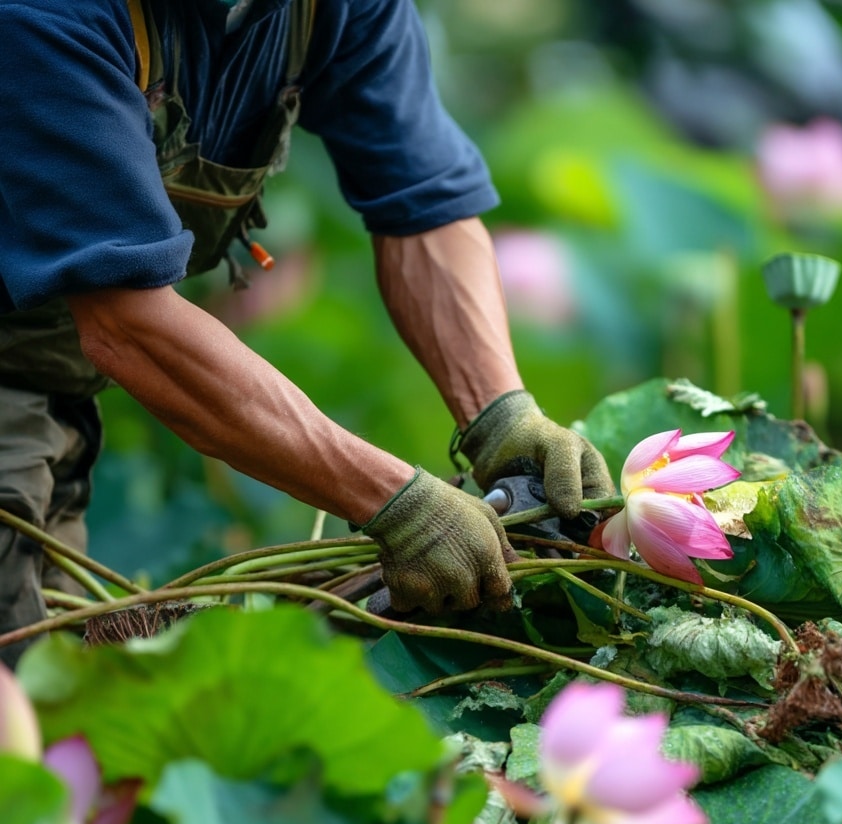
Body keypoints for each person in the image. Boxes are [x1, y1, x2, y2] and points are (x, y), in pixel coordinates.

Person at [0, 0, 616, 668]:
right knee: (23, 690)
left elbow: (422, 205)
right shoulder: (46, 17)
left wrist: (501, 415)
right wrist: (398, 503)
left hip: (55, 388)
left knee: (57, 683)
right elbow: (129, 325)